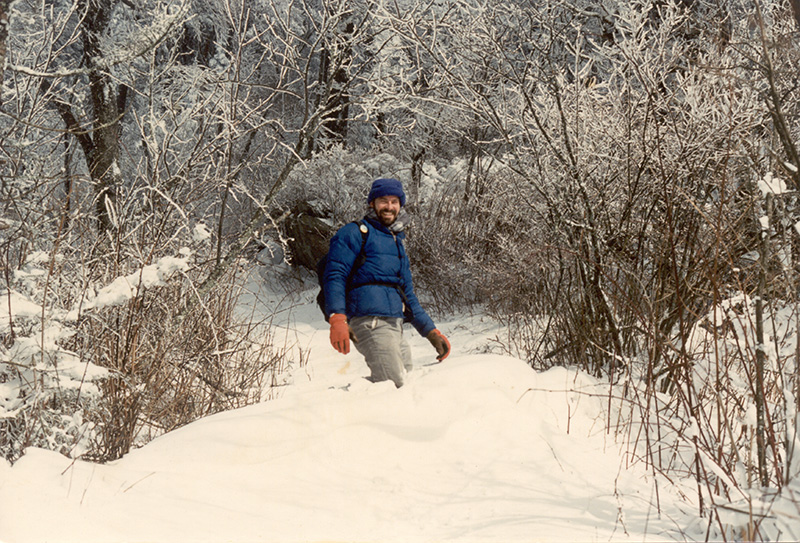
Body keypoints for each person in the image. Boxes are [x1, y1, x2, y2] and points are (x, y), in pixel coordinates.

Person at [322, 178, 451, 387]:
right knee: (393, 384)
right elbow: (335, 275)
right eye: (383, 200)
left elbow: (407, 294)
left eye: (394, 201)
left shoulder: (397, 242)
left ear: (400, 205)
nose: (389, 207)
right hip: (369, 320)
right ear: (372, 203)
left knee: (407, 379)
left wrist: (431, 332)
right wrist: (337, 318)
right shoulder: (354, 233)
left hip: (394, 323)